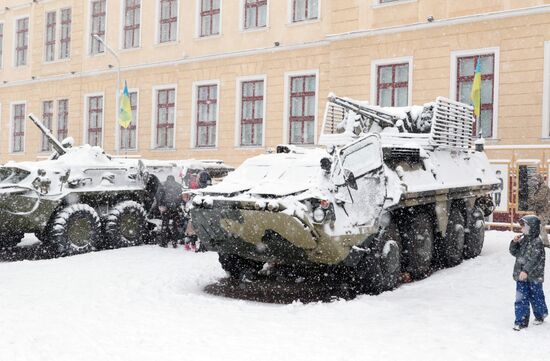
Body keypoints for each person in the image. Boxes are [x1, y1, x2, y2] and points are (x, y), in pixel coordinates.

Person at [509, 215, 548, 331]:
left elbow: (534, 260)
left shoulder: (537, 243)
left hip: (534, 276)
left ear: (532, 228)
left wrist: (526, 270)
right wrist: (514, 243)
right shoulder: (523, 240)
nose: (521, 229)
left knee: (536, 297)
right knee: (521, 298)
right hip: (521, 276)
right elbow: (514, 252)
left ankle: (541, 314)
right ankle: (521, 321)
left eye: (524, 227)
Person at [158, 175, 184, 248]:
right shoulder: (178, 186)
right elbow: (181, 197)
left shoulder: (163, 185)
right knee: (175, 225)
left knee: (165, 225)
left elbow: (159, 196)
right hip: (176, 208)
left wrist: (161, 205)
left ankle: (164, 242)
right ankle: (174, 242)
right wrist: (179, 206)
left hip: (166, 208)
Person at [528, 173, 550, 247]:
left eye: (535, 180)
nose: (534, 182)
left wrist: (531, 199)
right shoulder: (537, 188)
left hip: (544, 211)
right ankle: (535, 241)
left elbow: (539, 198)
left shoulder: (544, 188)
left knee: (540, 226)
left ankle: (546, 243)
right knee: (535, 225)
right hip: (538, 210)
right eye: (533, 180)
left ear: (539, 180)